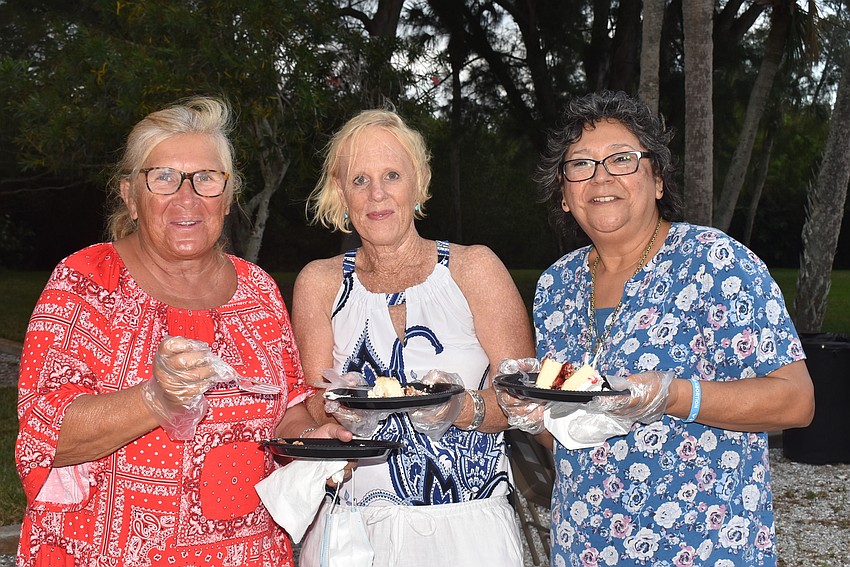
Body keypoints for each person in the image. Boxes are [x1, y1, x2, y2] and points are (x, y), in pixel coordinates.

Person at [15, 96, 350, 567]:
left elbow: (285, 410)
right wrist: (156, 397)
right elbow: (45, 435)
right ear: (131, 196)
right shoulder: (87, 280)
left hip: (247, 554)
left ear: (228, 196)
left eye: (206, 179)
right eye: (164, 177)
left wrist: (312, 439)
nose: (187, 198)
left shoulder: (258, 289)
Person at [511, 90, 814, 566]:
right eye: (581, 165)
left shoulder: (714, 262)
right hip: (584, 545)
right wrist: (536, 417)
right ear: (565, 196)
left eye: (622, 159)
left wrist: (675, 396)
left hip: (702, 548)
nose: (601, 176)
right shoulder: (556, 286)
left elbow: (796, 400)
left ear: (656, 180)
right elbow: (572, 434)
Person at [290, 108, 535, 566]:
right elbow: (308, 402)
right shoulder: (318, 283)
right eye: (359, 180)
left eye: (392, 175)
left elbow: (526, 403)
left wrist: (459, 408)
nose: (377, 193)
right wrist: (339, 413)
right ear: (340, 193)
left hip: (469, 529)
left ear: (418, 184)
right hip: (353, 533)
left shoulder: (474, 269)